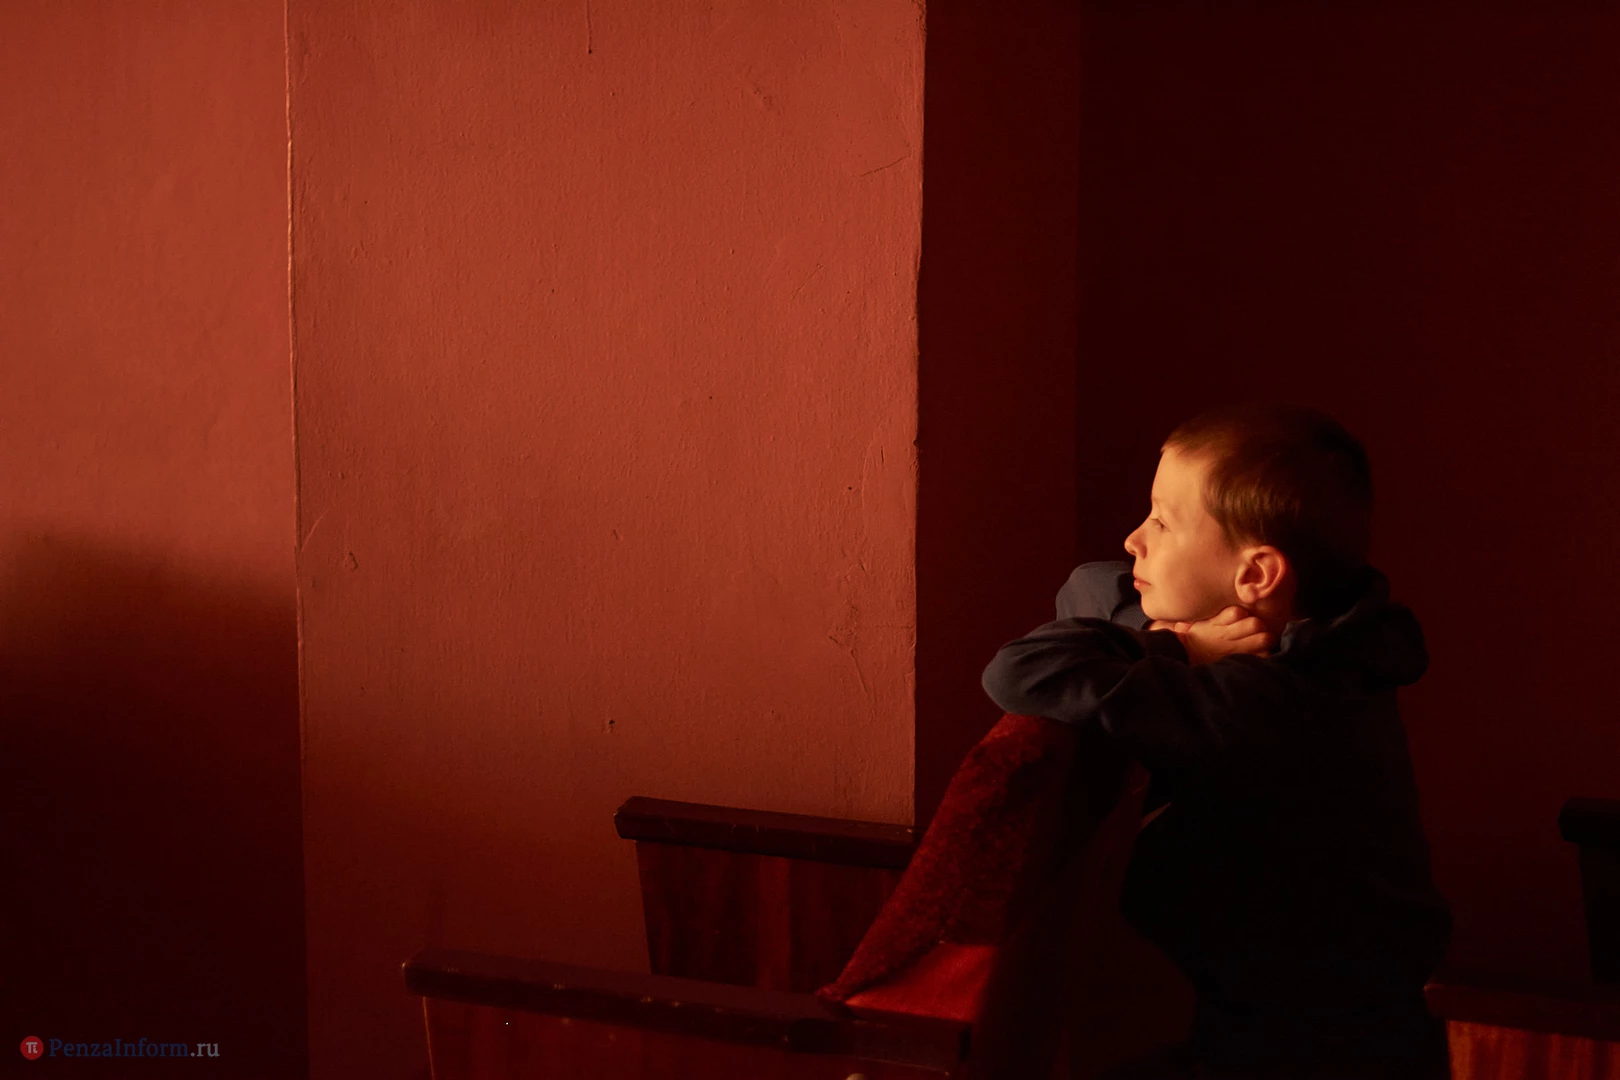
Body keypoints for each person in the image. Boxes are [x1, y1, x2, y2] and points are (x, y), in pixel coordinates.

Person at [980, 401, 1453, 1079]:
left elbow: (1021, 671)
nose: (1134, 540)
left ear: (1255, 576)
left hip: (1330, 1054)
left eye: (1163, 522)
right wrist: (1180, 639)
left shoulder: (1273, 703)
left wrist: (1175, 650)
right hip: (1260, 1027)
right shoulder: (1328, 630)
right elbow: (1090, 586)